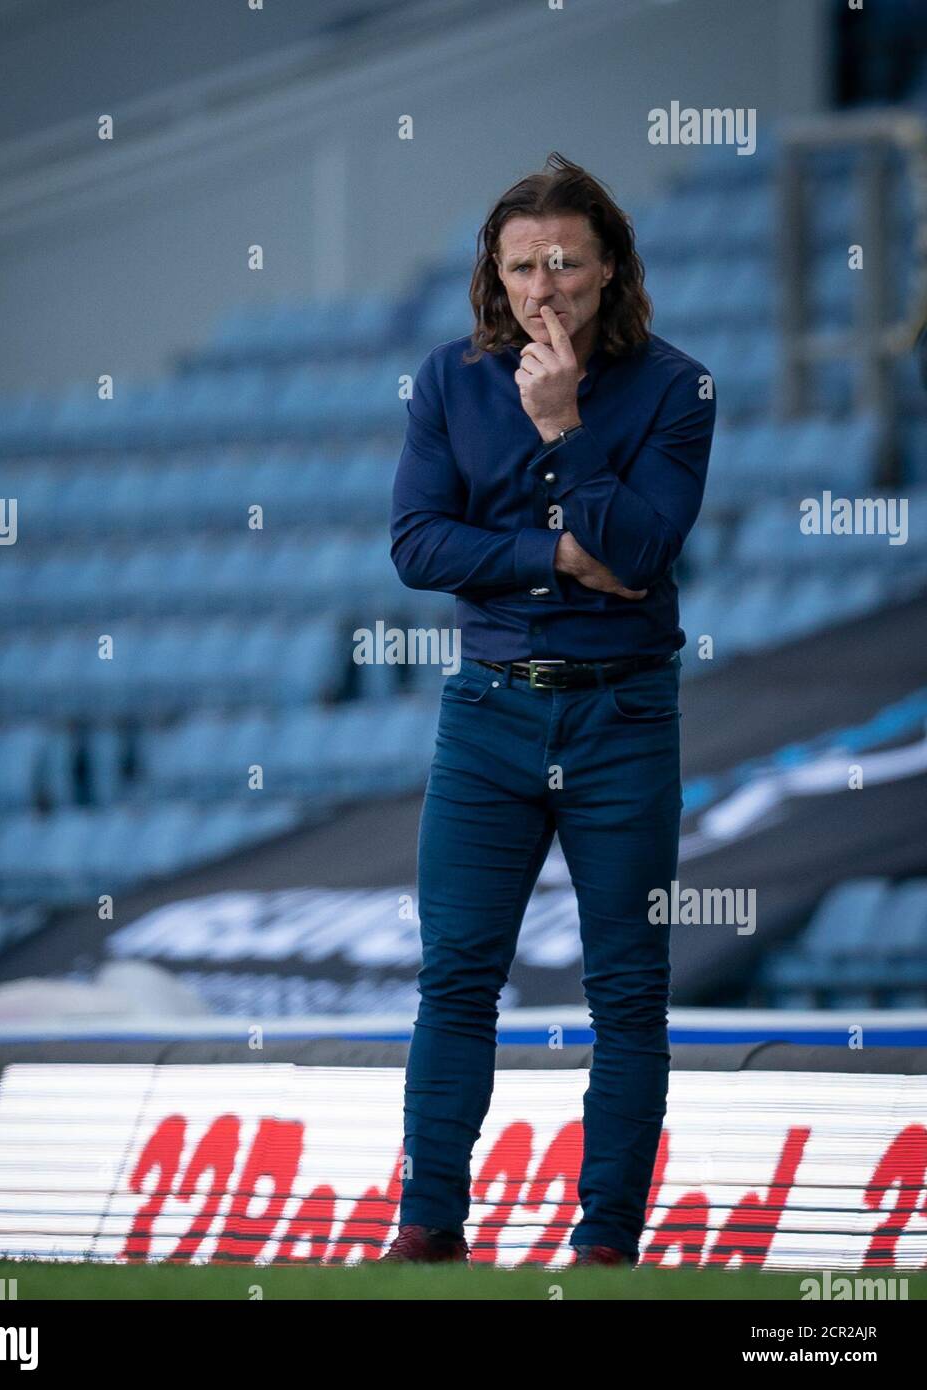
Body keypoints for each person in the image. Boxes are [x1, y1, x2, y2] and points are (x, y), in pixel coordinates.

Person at [383, 152, 716, 1267]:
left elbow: (644, 549)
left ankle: (605, 1246)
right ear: (496, 272)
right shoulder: (445, 380)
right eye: (522, 266)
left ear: (609, 266)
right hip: (486, 714)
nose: (544, 287)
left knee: (627, 991)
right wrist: (556, 556)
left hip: (622, 719)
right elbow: (415, 544)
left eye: (565, 263)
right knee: (455, 974)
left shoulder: (676, 388)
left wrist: (564, 426)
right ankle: (428, 1230)